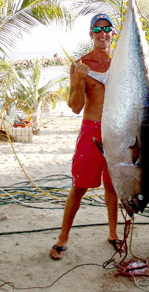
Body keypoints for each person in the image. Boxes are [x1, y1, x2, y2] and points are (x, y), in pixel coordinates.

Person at [50, 14, 121, 260]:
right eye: (97, 29)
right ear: (90, 34)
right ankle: (63, 238)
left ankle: (113, 234)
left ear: (113, 33)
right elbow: (74, 107)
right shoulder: (80, 64)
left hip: (117, 130)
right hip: (91, 129)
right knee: (78, 187)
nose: (102, 33)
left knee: (113, 186)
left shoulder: (121, 63)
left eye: (107, 29)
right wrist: (80, 80)